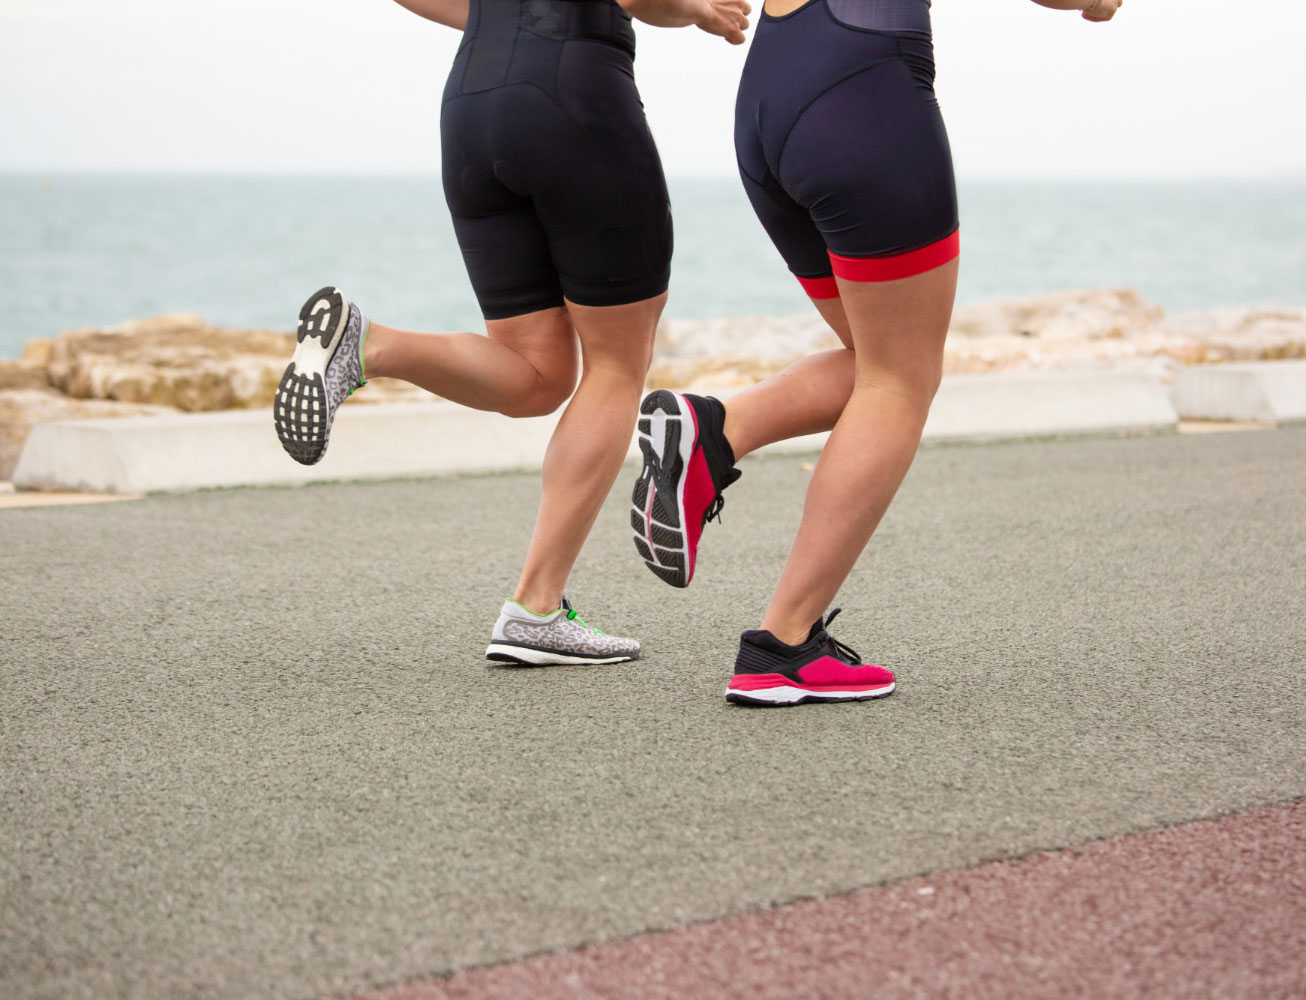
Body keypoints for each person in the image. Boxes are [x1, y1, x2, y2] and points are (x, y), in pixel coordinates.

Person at [631, 0, 1120, 704]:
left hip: (770, 95)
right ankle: (783, 645)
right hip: (863, 90)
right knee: (901, 380)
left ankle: (716, 429)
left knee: (879, 361)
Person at [275, 0, 749, 666]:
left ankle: (369, 345)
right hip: (573, 98)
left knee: (538, 375)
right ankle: (536, 608)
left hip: (473, 104)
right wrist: (698, 10)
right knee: (616, 366)